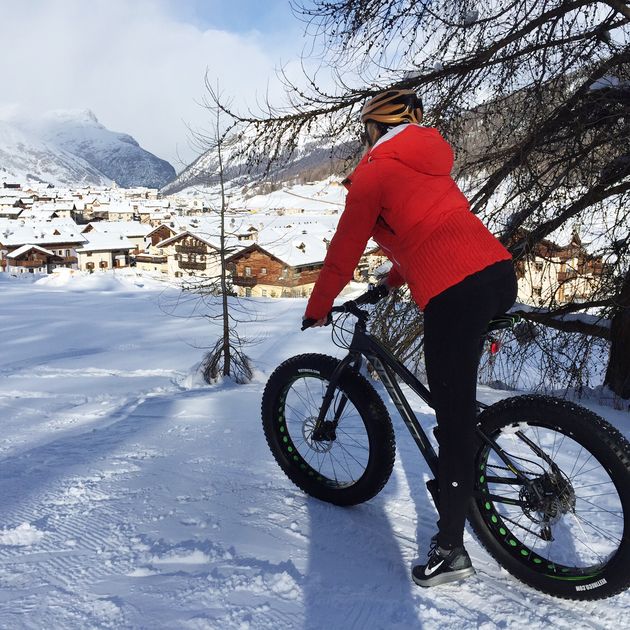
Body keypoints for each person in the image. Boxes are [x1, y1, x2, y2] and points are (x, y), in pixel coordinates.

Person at [302, 89, 518, 587]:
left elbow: (343, 249)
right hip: (497, 274)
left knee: (454, 418)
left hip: (455, 292)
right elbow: (427, 231)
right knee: (455, 391)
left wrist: (317, 309)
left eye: (366, 131)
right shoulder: (431, 166)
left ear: (374, 129)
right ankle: (477, 449)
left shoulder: (376, 171)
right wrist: (393, 279)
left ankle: (451, 550)